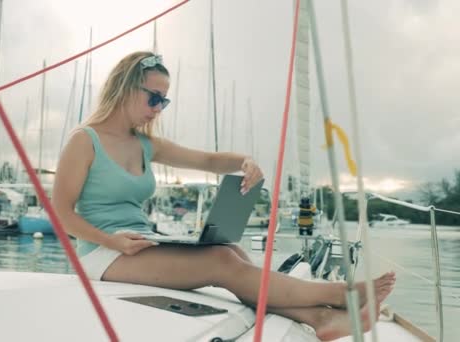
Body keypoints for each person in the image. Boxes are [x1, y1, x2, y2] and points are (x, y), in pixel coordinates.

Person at [52, 51, 395, 340]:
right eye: (153, 97)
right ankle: (343, 295)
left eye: (164, 100)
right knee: (221, 262)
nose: (158, 108)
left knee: (231, 251)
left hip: (140, 241)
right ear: (125, 88)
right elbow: (61, 213)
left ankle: (321, 321)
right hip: (100, 253)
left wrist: (244, 162)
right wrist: (112, 241)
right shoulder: (85, 140)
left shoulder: (145, 143)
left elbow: (207, 160)